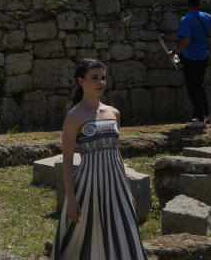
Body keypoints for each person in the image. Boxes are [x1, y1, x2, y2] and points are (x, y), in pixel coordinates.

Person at [51, 59, 146, 260]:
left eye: (103, 77)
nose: (100, 82)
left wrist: (128, 190)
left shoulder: (114, 113)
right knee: (83, 237)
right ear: (80, 81)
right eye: (94, 78)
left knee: (124, 232)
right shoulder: (74, 116)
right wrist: (71, 199)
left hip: (116, 185)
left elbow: (117, 152)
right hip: (88, 184)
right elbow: (67, 160)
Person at [169, 0, 211, 129]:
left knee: (193, 88)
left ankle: (199, 119)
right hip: (203, 56)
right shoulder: (204, 16)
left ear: (187, 4)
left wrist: (175, 52)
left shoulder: (187, 19)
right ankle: (207, 115)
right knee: (200, 86)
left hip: (192, 58)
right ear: (199, 4)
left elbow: (186, 40)